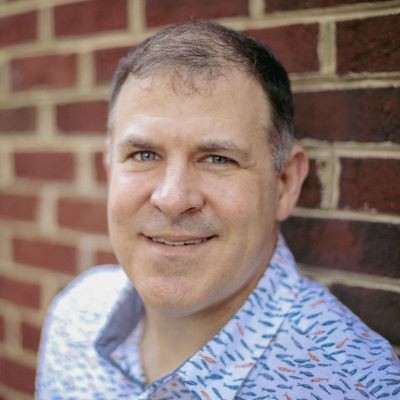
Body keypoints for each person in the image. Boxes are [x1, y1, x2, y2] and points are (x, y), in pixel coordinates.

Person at [36, 21, 400, 399]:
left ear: (285, 184)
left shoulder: (358, 383)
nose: (172, 198)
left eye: (217, 158)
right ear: (110, 169)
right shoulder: (74, 318)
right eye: (144, 154)